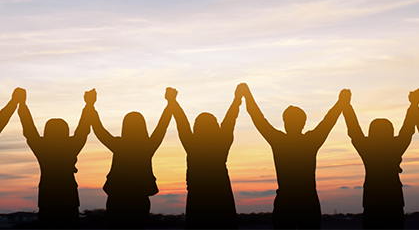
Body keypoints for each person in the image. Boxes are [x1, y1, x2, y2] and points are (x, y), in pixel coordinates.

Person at [242, 83, 348, 230]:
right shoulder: (311, 140)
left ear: (285, 122)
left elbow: (257, 117)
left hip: (286, 202)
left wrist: (247, 95)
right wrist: (341, 102)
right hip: (308, 202)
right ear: (303, 122)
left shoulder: (278, 140)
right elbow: (329, 120)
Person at [90, 88, 173, 230]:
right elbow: (162, 126)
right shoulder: (148, 146)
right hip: (139, 198)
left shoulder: (119, 144)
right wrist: (170, 103)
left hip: (117, 197)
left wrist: (90, 106)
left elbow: (99, 130)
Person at [17, 88, 95, 230]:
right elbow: (83, 129)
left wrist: (22, 105)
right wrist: (89, 105)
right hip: (68, 199)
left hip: (48, 199)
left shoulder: (42, 148)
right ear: (66, 132)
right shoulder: (71, 146)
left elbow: (28, 128)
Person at [342, 89, 419, 230]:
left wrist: (346, 105)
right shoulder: (396, 146)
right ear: (390, 132)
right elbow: (408, 128)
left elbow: (353, 129)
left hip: (372, 201)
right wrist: (413, 105)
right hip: (394, 201)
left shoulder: (367, 148)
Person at [168, 85, 243, 230]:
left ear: (196, 128)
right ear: (216, 128)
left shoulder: (192, 145)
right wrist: (237, 99)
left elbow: (181, 122)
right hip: (221, 197)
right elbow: (230, 120)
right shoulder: (221, 143)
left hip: (198, 199)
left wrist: (172, 101)